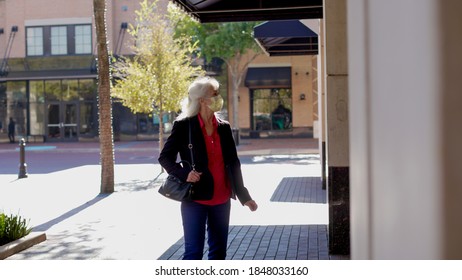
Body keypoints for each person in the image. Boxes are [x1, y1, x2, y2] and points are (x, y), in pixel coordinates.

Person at [158, 76, 258, 260]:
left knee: (219, 253)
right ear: (202, 100)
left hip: (222, 199)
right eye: (215, 94)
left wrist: (244, 196)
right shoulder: (184, 126)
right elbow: (164, 158)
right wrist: (184, 174)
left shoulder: (224, 128)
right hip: (195, 199)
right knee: (194, 253)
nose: (219, 97)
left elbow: (233, 164)